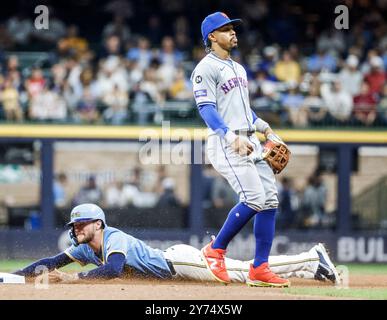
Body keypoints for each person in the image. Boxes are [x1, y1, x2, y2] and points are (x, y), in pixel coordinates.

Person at [190, 12, 292, 287]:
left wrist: (264, 127)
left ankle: (259, 268)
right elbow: (206, 109)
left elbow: (244, 110)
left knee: (270, 201)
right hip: (227, 143)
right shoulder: (205, 68)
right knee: (254, 198)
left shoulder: (238, 68)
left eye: (234, 28)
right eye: (226, 29)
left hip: (251, 140)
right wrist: (229, 136)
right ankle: (215, 250)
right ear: (212, 36)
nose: (234, 33)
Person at [13, 203, 340, 285]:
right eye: (74, 225)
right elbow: (50, 262)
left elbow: (113, 270)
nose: (76, 229)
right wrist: (12, 276)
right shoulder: (85, 248)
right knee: (241, 274)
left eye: (81, 224)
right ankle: (313, 265)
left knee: (243, 273)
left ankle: (312, 259)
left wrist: (75, 278)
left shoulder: (112, 238)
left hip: (177, 263)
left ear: (97, 223)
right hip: (174, 267)